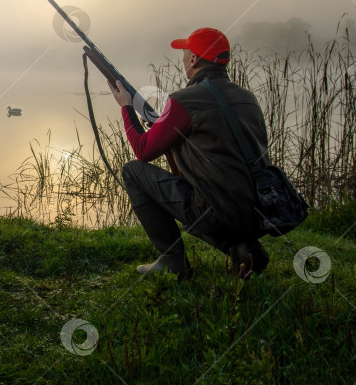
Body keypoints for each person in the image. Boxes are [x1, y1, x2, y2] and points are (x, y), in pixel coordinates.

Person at [108, 27, 269, 280]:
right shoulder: (248, 98)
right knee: (209, 197)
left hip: (215, 214)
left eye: (185, 52)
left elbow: (143, 151)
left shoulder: (184, 99)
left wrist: (127, 107)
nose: (183, 58)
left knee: (133, 172)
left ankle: (174, 260)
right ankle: (245, 249)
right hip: (256, 212)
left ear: (194, 59)